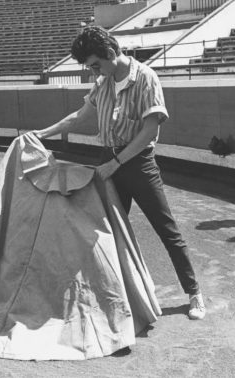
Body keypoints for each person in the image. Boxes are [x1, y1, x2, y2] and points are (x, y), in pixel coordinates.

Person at [34, 26, 205, 320]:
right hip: (108, 160)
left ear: (111, 54)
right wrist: (41, 133)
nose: (93, 72)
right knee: (106, 233)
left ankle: (195, 294)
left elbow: (151, 128)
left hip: (137, 163)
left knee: (167, 230)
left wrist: (116, 164)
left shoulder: (146, 77)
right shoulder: (103, 83)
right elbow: (79, 117)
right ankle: (109, 296)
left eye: (96, 65)